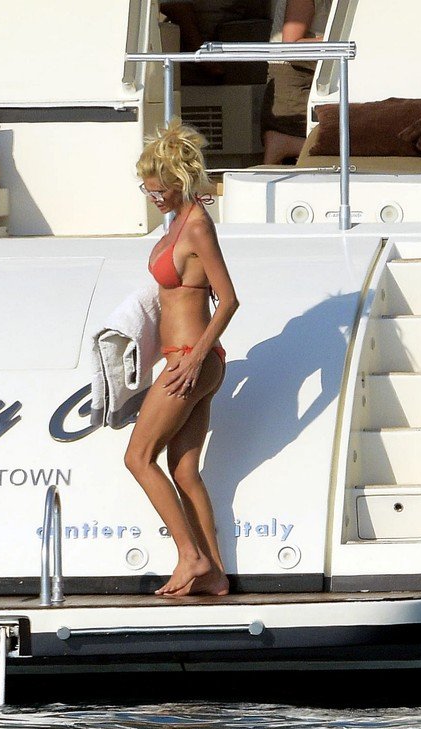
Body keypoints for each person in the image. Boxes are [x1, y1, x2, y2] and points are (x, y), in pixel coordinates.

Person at [124, 118, 239, 597]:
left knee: (137, 458)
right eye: (147, 189)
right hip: (193, 359)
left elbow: (229, 299)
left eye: (158, 189)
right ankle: (214, 573)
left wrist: (192, 361)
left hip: (191, 360)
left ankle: (190, 555)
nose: (152, 196)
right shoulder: (179, 223)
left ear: (179, 181)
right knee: (184, 470)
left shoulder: (196, 227)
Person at [261, 0, 332, 164]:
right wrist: (342, 40)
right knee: (341, 140)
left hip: (311, 79)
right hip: (294, 83)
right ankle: (284, 144)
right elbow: (291, 45)